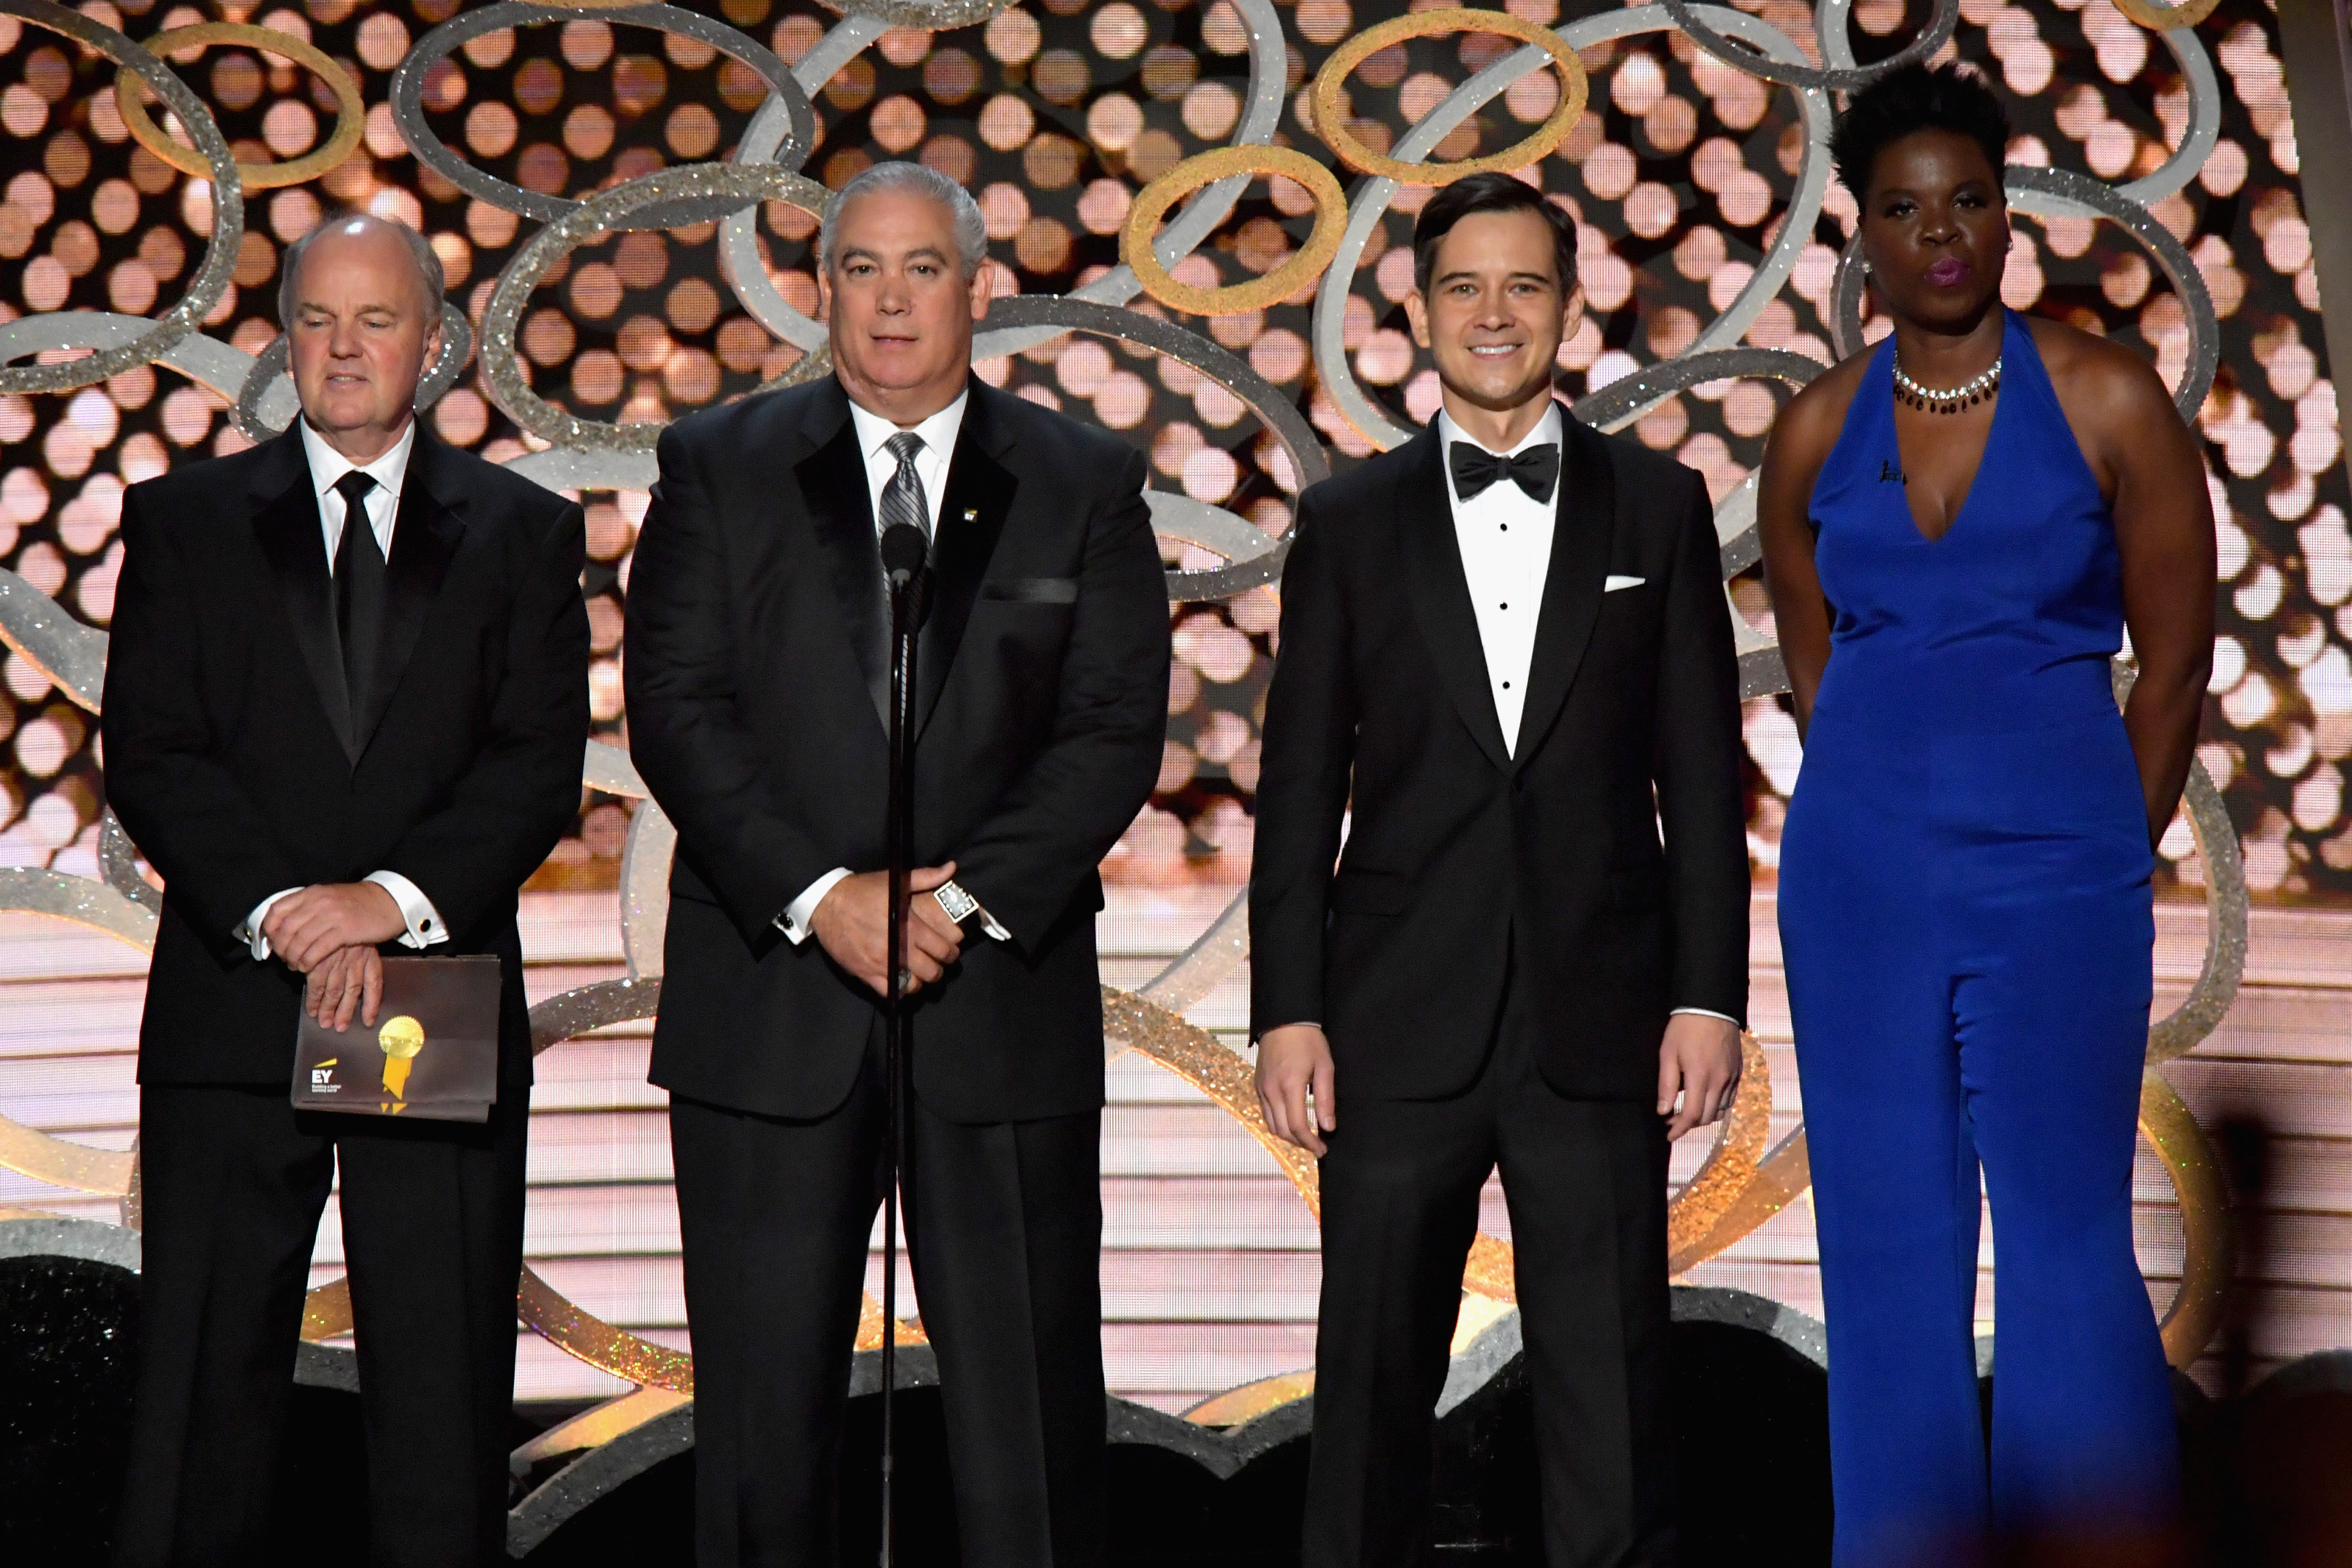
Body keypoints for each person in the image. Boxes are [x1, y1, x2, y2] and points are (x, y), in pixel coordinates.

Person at [624, 160, 1170, 1568]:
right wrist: (827, 901)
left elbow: (1112, 727)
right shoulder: (716, 464)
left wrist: (957, 905)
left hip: (996, 1004)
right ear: (821, 293)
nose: (889, 299)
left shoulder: (1082, 479)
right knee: (760, 1427)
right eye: (859, 268)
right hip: (770, 1008)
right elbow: (675, 708)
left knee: (1029, 1421)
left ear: (976, 289)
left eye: (921, 268)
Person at [1251, 171, 1751, 1568]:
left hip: (1598, 1017)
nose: (1493, 313)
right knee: (1368, 1393)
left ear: (1570, 308)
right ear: (1419, 312)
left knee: (1611, 1398)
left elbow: (1701, 779)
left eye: (1524, 285)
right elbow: (1300, 790)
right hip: (1392, 1015)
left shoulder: (1658, 506)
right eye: (1463, 287)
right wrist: (1287, 1007)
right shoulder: (1349, 520)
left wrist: (1706, 994)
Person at [1756, 63, 2215, 1568]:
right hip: (1858, 887)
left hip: (2060, 880)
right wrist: (1886, 813)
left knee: (2066, 1237)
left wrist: (2099, 850)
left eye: (1966, 200)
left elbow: (2174, 664)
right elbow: (1820, 675)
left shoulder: (2107, 396)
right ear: (1863, 235)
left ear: (2006, 217)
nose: (1939, 233)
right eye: (1904, 209)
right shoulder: (1813, 431)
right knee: (1884, 1249)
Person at [101, 212, 591, 1566]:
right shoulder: (184, 521)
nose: (344, 348)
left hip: (429, 999)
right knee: (202, 1392)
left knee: (440, 1397)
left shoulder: (522, 530)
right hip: (231, 1002)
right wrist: (283, 910)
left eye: (376, 320)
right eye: (318, 320)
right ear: (285, 341)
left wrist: (386, 898)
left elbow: (535, 763)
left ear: (432, 344)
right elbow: (151, 749)